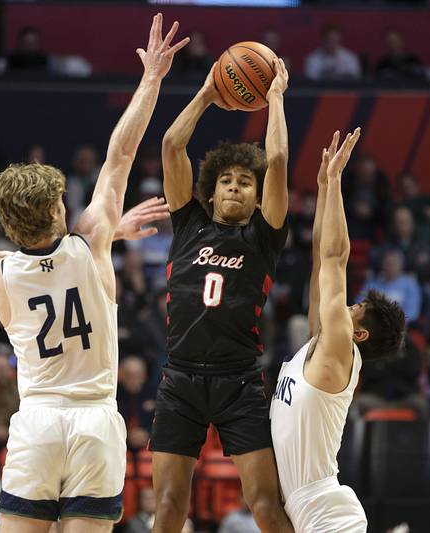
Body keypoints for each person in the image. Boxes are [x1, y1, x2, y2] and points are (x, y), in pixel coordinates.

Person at [0, 14, 186, 531]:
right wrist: (152, 77)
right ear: (57, 211)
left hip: (38, 422)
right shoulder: (90, 242)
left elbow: (37, 256)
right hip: (95, 421)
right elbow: (120, 154)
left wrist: (108, 231)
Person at [151, 51, 292, 532]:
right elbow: (172, 145)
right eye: (227, 181)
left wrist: (274, 100)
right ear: (210, 192)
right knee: (169, 506)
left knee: (266, 505)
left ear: (258, 196)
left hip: (239, 383)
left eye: (245, 183)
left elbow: (275, 158)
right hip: (181, 381)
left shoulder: (263, 236)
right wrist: (209, 94)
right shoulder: (188, 224)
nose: (235, 187)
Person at [270, 130, 406, 533]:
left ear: (359, 335)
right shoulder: (317, 346)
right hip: (304, 507)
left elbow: (336, 258)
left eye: (354, 308)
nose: (344, 306)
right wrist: (324, 186)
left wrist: (337, 182)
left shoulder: (339, 352)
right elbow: (319, 259)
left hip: (326, 511)